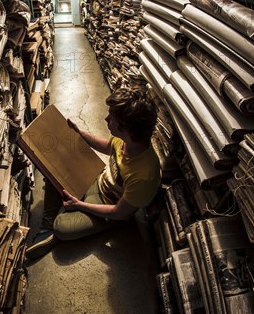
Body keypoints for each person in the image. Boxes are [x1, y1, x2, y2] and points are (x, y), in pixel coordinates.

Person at [25, 85, 161, 260]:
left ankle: (53, 226)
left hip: (108, 207)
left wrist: (79, 205)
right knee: (52, 164)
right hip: (97, 181)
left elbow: (119, 213)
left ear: (127, 129)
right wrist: (79, 133)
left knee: (62, 228)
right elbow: (107, 146)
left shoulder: (144, 175)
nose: (105, 119)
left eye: (111, 118)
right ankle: (49, 225)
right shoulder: (126, 140)